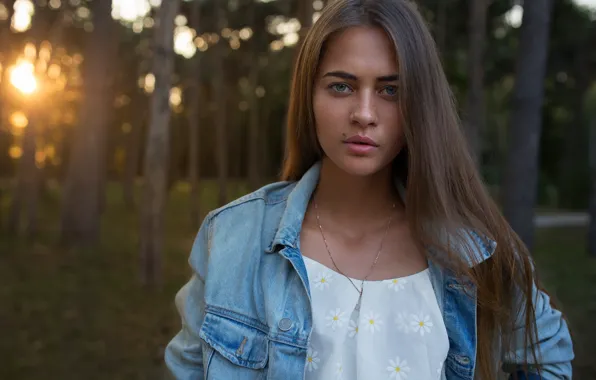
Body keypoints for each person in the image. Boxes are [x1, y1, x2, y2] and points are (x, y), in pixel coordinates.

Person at [164, 0, 574, 379]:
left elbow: (547, 354)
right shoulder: (234, 238)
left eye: (390, 91)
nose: (364, 114)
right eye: (341, 86)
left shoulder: (472, 250)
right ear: (309, 96)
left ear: (420, 104)